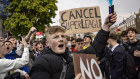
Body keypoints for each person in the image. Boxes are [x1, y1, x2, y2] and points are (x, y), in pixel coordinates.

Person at [30, 12, 117, 79]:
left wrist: (106, 26)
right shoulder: (41, 63)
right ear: (47, 44)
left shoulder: (72, 57)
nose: (61, 39)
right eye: (56, 37)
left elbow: (94, 49)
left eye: (63, 36)